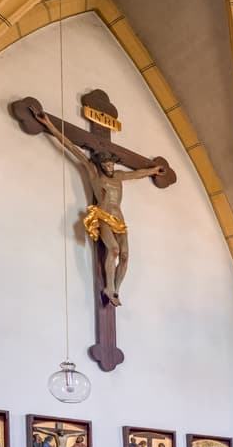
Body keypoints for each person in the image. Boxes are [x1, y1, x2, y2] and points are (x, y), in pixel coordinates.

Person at [28, 106, 167, 306]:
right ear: (101, 164)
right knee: (114, 250)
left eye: (111, 164)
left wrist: (153, 170)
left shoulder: (119, 176)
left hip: (119, 219)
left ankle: (117, 289)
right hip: (103, 216)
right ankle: (108, 287)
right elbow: (72, 148)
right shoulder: (94, 174)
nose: (109, 167)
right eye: (106, 164)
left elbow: (137, 173)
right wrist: (49, 124)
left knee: (125, 256)